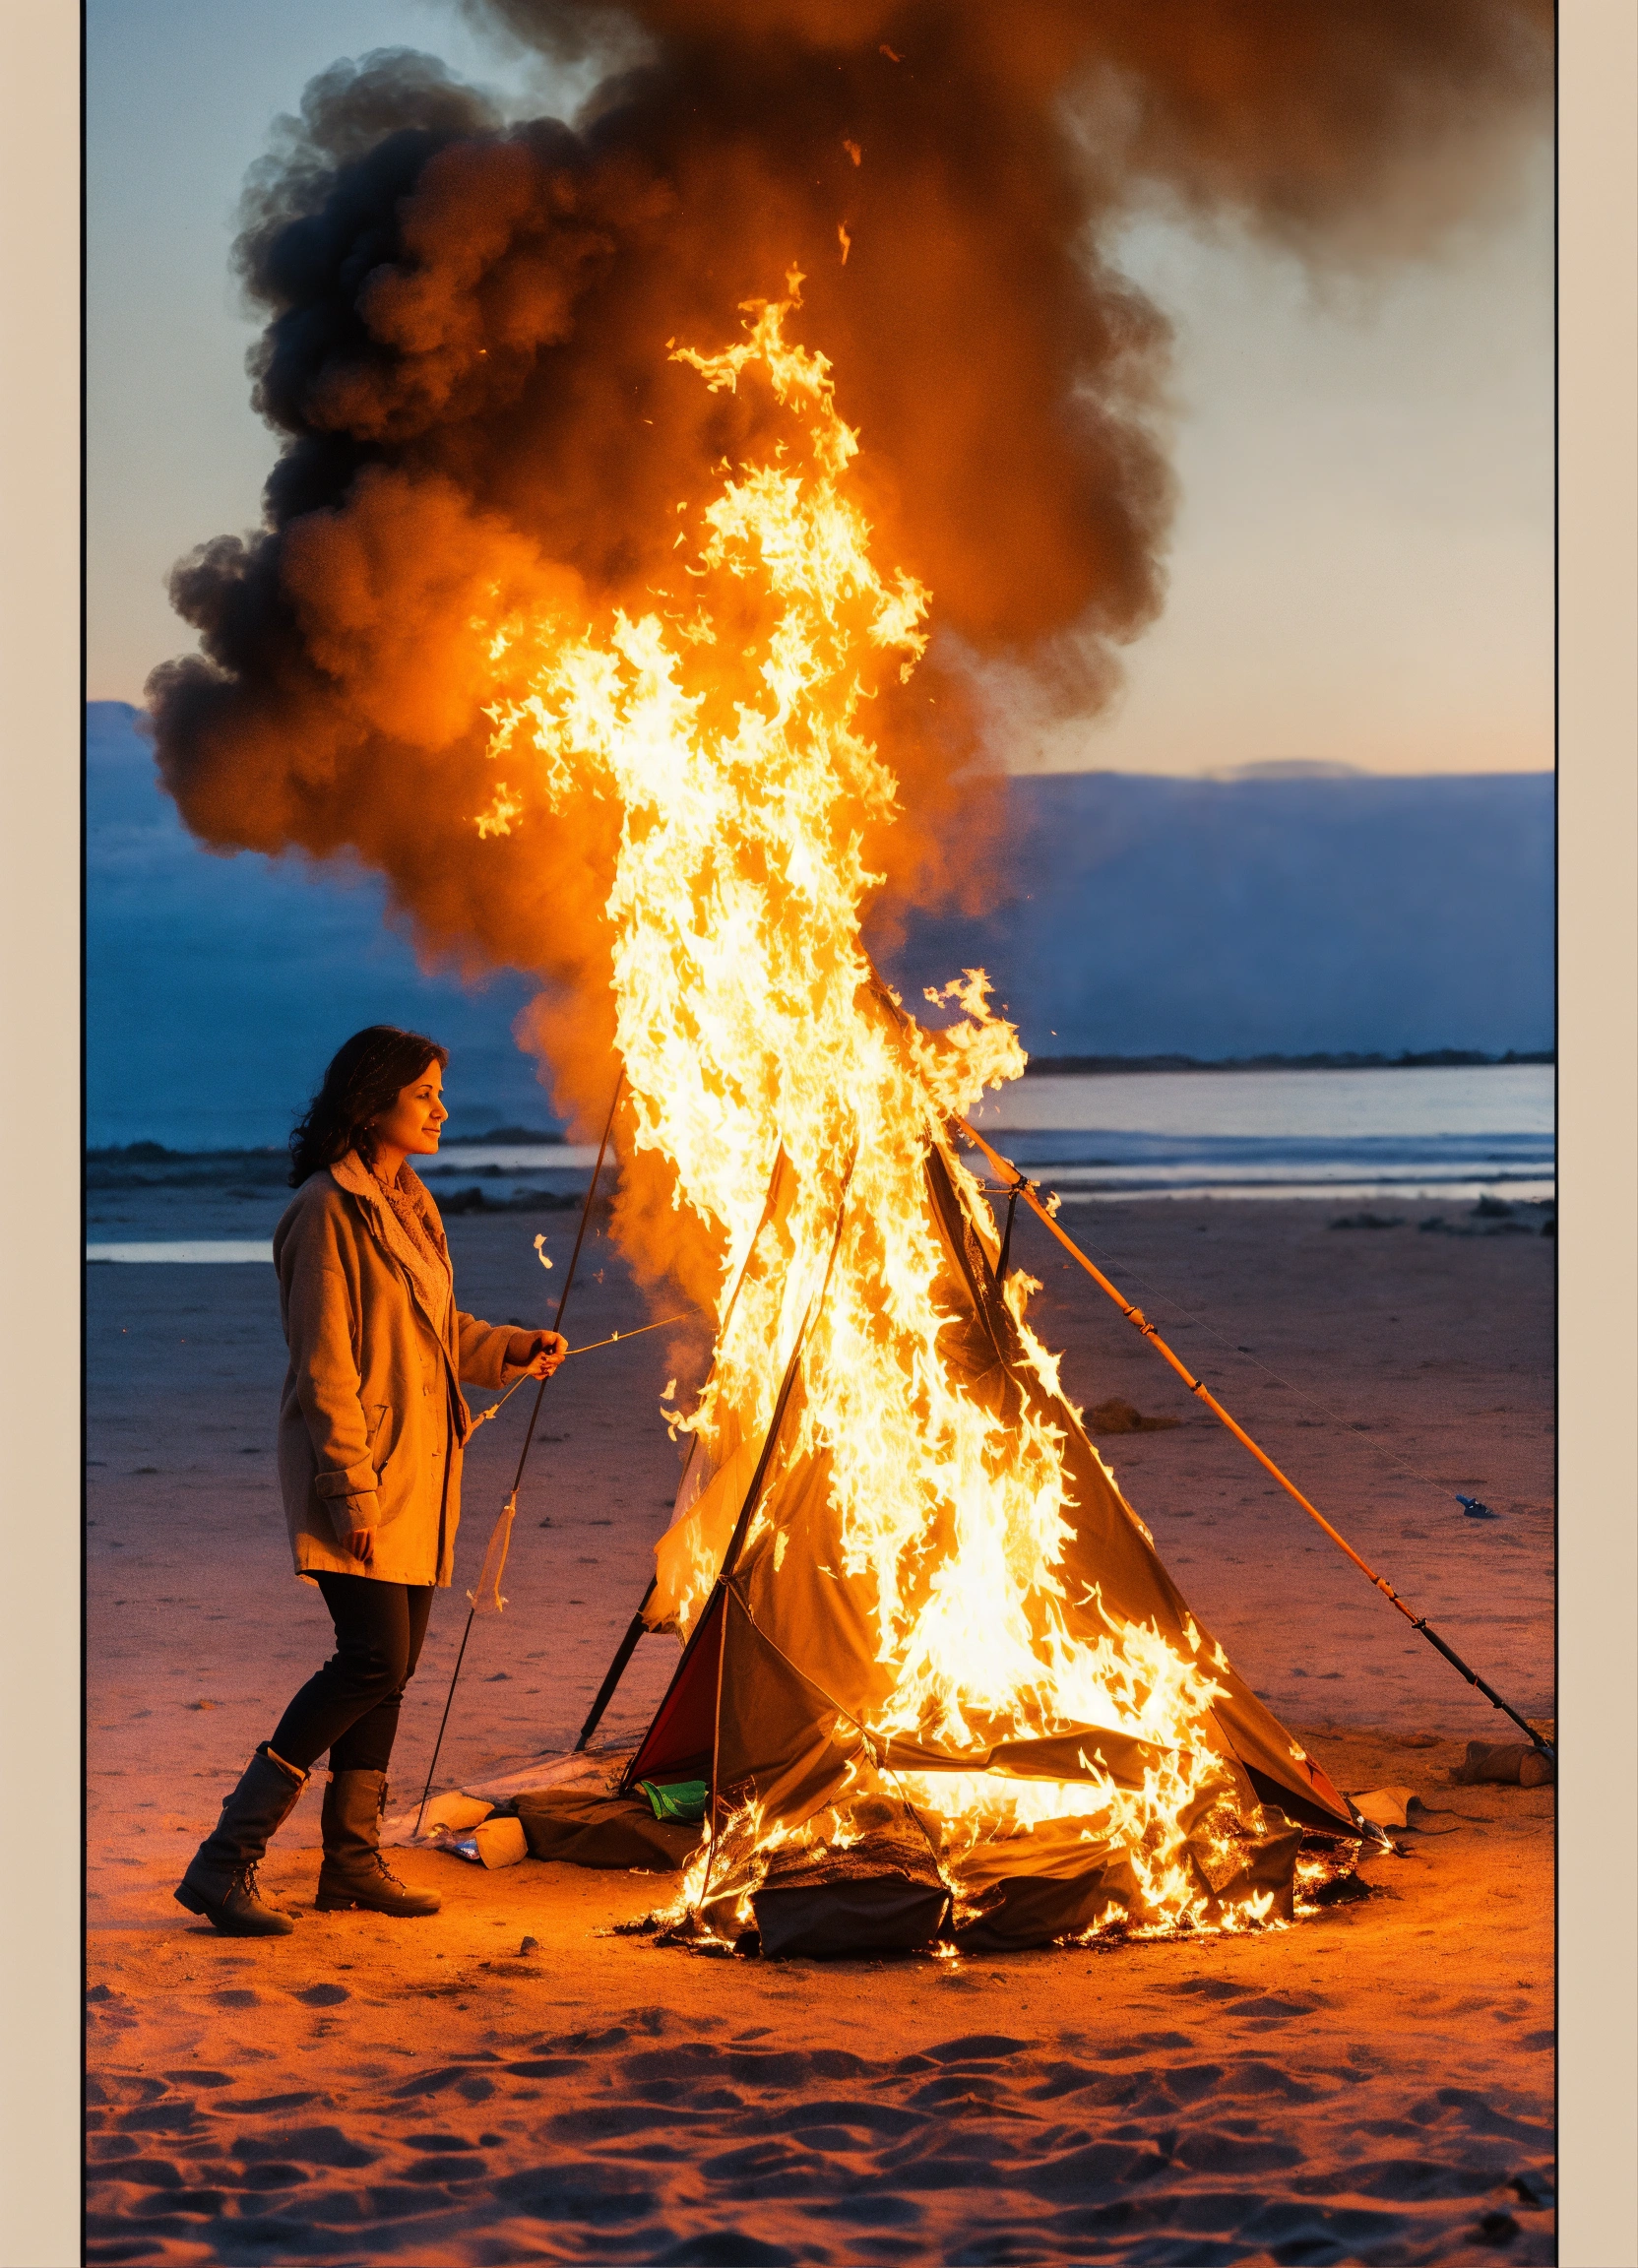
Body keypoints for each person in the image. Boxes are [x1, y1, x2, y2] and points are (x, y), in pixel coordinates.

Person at [175, 1026, 567, 1937]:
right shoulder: (325, 1209)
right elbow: (324, 1368)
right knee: (371, 1659)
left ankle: (351, 1863)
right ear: (373, 1101)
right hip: (363, 1474)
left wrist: (508, 1346)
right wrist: (349, 1490)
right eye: (424, 1092)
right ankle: (223, 1862)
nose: (440, 1107)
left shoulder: (407, 1202)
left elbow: (430, 1329)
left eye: (439, 1091)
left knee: (391, 1672)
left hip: (422, 1475)